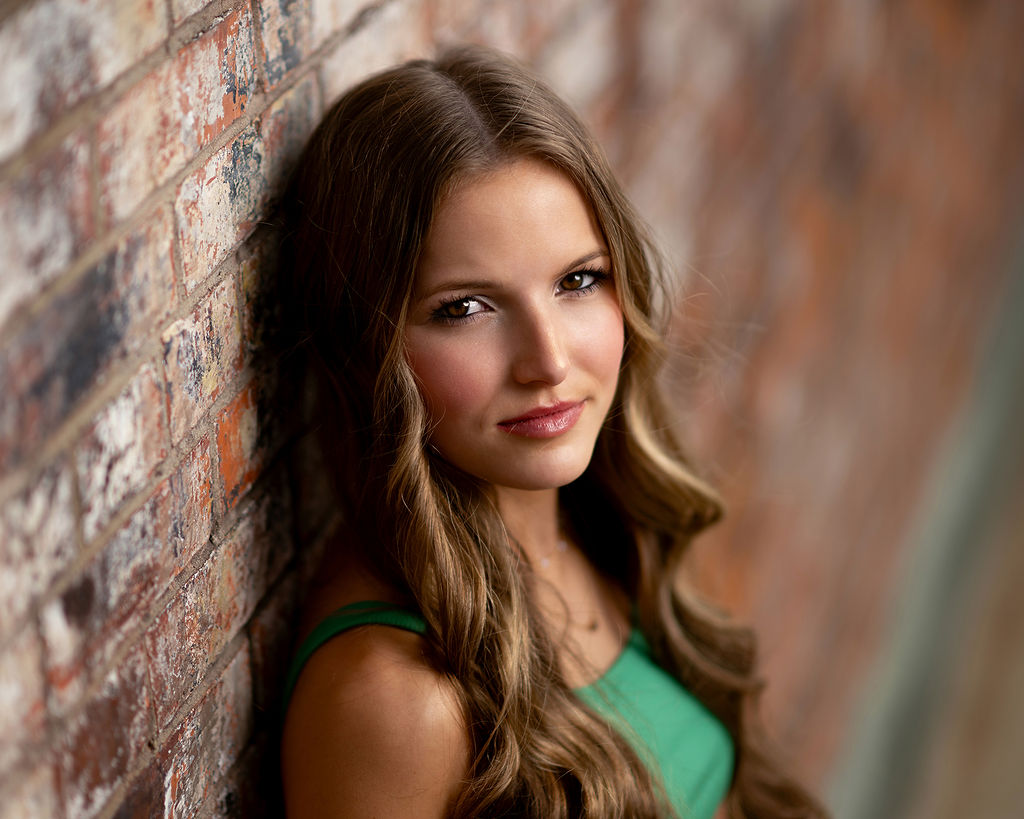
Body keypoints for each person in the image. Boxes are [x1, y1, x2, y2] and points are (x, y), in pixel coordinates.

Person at [276, 45, 826, 818]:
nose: (549, 359)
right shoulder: (394, 698)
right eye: (465, 307)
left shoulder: (603, 523)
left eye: (577, 280)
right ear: (367, 347)